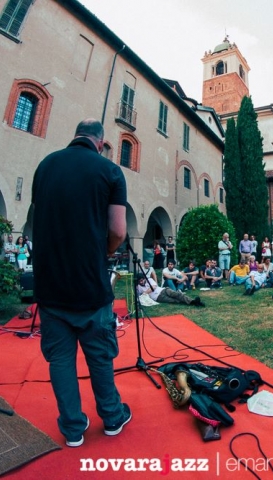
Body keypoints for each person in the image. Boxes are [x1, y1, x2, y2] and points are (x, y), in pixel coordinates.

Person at [32, 118, 131, 447]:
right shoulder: (110, 171)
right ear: (100, 143)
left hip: (50, 284)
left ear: (75, 136)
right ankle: (113, 417)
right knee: (100, 356)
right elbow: (118, 231)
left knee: (60, 359)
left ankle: (73, 428)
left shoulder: (45, 166)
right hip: (90, 284)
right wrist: (102, 252)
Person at [136, 275, 205, 306]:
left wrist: (145, 292)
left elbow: (153, 287)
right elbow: (138, 296)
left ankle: (193, 301)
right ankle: (194, 303)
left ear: (144, 278)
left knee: (177, 294)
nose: (141, 282)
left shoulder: (149, 280)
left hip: (163, 290)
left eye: (142, 280)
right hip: (158, 297)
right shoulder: (138, 287)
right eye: (139, 281)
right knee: (174, 300)